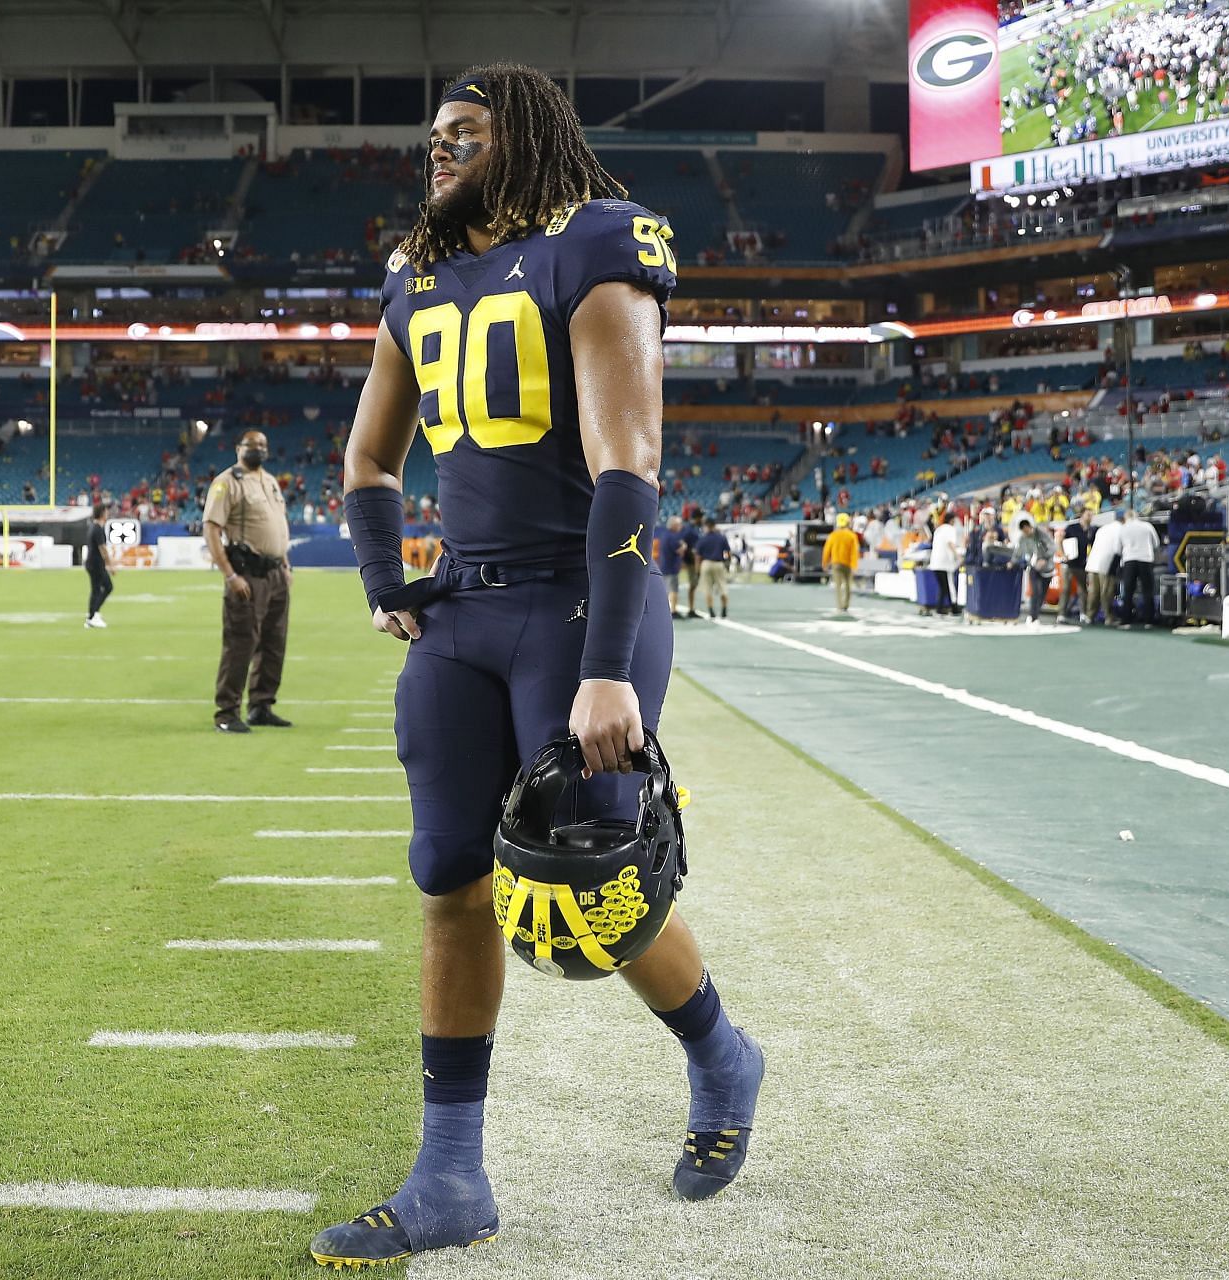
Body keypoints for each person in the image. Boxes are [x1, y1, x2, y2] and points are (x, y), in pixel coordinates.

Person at [319, 64, 762, 1271]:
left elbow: (630, 465)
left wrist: (610, 665)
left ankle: (722, 1051)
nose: (440, 151)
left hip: (578, 608)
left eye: (465, 133)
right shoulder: (416, 276)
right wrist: (383, 578)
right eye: (432, 137)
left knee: (591, 890)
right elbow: (368, 459)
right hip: (463, 615)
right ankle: (450, 1176)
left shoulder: (596, 243)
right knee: (449, 876)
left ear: (529, 139)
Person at [202, 428, 292, 733]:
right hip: (248, 574)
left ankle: (261, 706)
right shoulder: (227, 483)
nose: (258, 450)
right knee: (241, 643)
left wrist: (285, 565)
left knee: (274, 642)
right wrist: (229, 574)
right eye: (252, 445)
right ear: (238, 448)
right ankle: (226, 713)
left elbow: (279, 527)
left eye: (263, 445)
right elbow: (212, 529)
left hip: (276, 573)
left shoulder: (269, 480)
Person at [1115, 507, 1161, 628]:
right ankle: (1149, 621)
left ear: (1126, 517)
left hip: (1129, 560)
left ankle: (1126, 620)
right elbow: (1156, 543)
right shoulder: (1147, 526)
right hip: (1145, 559)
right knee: (1148, 591)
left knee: (1128, 592)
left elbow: (1117, 548)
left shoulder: (1123, 528)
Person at [1012, 517, 1053, 624]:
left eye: (1027, 530)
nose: (1026, 533)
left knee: (1042, 594)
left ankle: (1035, 614)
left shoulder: (1041, 534)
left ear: (1030, 527)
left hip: (1047, 568)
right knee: (1036, 591)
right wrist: (1012, 562)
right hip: (1034, 568)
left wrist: (1044, 558)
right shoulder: (1022, 538)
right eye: (1023, 531)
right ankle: (1033, 616)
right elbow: (1017, 553)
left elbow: (1052, 547)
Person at [1086, 511, 1123, 627]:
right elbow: (1118, 549)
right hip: (1106, 564)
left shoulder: (1103, 528)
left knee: (1093, 592)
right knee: (1106, 592)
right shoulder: (1121, 529)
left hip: (1093, 562)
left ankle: (1089, 616)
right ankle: (1109, 617)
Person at [1058, 508, 1094, 623]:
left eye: (1091, 515)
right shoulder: (1072, 527)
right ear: (1082, 515)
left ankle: (1083, 614)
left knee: (1082, 589)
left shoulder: (1090, 530)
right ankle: (1061, 614)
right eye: (1088, 514)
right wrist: (1063, 554)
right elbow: (1059, 540)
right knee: (1066, 589)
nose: (1090, 517)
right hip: (1068, 563)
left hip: (1082, 564)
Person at [84, 502, 114, 629]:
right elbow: (103, 549)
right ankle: (92, 616)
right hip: (96, 564)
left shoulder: (94, 527)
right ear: (102, 513)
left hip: (94, 563)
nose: (108, 513)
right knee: (101, 588)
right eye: (106, 511)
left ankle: (94, 612)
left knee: (104, 588)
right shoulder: (97, 529)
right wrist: (110, 565)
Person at [927, 509, 964, 616]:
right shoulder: (950, 529)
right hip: (945, 563)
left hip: (935, 562)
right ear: (952, 520)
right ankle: (954, 607)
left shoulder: (939, 529)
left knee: (943, 587)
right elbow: (950, 544)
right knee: (949, 585)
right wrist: (959, 556)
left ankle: (940, 608)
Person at [822, 512, 860, 613]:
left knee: (838, 586)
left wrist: (825, 563)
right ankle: (845, 606)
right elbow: (854, 552)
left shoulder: (833, 535)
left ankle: (839, 606)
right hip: (848, 564)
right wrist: (854, 565)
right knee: (848, 585)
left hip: (836, 563)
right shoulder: (852, 536)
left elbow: (827, 550)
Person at [694, 516, 731, 618]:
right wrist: (727, 563)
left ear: (706, 526)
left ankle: (711, 611)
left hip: (706, 563)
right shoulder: (721, 537)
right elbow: (727, 552)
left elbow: (698, 556)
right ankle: (724, 610)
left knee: (707, 589)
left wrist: (697, 571)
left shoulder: (703, 539)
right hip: (719, 563)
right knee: (723, 587)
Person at [655, 515, 687, 617]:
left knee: (666, 590)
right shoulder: (673, 537)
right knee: (673, 589)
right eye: (678, 525)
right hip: (671, 567)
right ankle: (673, 611)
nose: (680, 527)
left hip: (664, 565)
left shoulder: (664, 535)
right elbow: (679, 551)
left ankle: (664, 610)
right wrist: (684, 546)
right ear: (673, 525)